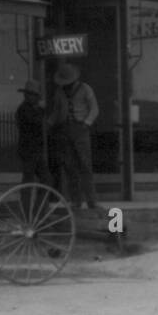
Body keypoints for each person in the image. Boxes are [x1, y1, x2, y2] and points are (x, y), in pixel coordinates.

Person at [49, 61, 101, 210]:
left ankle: (92, 200)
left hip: (81, 129)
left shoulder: (85, 89)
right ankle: (76, 200)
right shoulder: (60, 92)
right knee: (70, 167)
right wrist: (49, 123)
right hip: (66, 130)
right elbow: (57, 112)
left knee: (85, 165)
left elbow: (95, 109)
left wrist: (86, 123)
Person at [15, 80, 51, 185]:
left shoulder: (30, 108)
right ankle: (27, 202)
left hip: (35, 150)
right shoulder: (24, 109)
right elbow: (34, 122)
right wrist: (41, 110)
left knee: (46, 179)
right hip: (29, 150)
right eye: (31, 95)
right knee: (29, 179)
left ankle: (39, 202)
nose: (34, 98)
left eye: (35, 95)